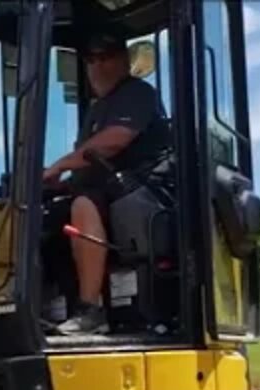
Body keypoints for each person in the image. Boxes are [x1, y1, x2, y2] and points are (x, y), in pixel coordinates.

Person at [43, 29, 171, 335]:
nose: (98, 65)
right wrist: (58, 184)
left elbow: (114, 142)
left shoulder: (137, 94)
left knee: (85, 203)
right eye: (91, 59)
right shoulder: (98, 108)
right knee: (43, 220)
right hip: (111, 188)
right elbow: (90, 165)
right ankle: (52, 306)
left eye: (107, 57)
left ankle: (91, 311)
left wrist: (59, 165)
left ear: (125, 62)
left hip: (146, 190)